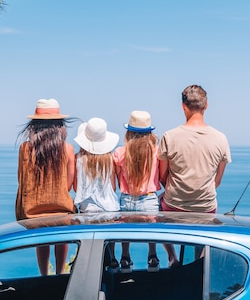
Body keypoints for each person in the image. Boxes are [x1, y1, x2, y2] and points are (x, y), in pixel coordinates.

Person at [158, 85, 231, 265]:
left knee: (157, 204)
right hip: (205, 207)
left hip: (173, 205)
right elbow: (217, 181)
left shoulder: (169, 136)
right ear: (206, 106)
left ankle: (172, 256)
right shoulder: (220, 138)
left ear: (183, 106)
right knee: (204, 234)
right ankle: (200, 262)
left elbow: (162, 177)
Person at [16, 98, 76, 275]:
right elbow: (69, 184)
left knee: (41, 238)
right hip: (61, 210)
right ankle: (59, 273)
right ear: (59, 125)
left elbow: (22, 179)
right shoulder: (67, 149)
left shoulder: (25, 148)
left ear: (34, 125)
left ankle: (43, 275)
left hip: (32, 212)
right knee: (62, 231)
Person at [113, 110, 162, 272]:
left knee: (125, 232)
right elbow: (161, 175)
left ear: (129, 132)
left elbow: (118, 177)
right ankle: (152, 257)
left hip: (127, 198)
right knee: (152, 233)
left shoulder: (121, 152)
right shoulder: (156, 152)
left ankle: (125, 258)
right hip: (149, 199)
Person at [73, 117, 120, 270]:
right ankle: (112, 258)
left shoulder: (78, 159)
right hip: (110, 209)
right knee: (109, 242)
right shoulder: (110, 159)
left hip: (89, 211)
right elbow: (113, 186)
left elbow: (75, 188)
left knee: (90, 249)